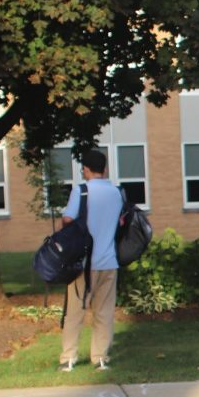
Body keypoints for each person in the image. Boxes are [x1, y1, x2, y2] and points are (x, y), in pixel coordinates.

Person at [59, 149, 124, 372]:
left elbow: (68, 218)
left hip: (83, 263)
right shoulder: (117, 193)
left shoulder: (82, 191)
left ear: (86, 169)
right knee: (104, 313)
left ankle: (68, 358)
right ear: (105, 168)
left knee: (75, 312)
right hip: (109, 261)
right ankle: (100, 358)